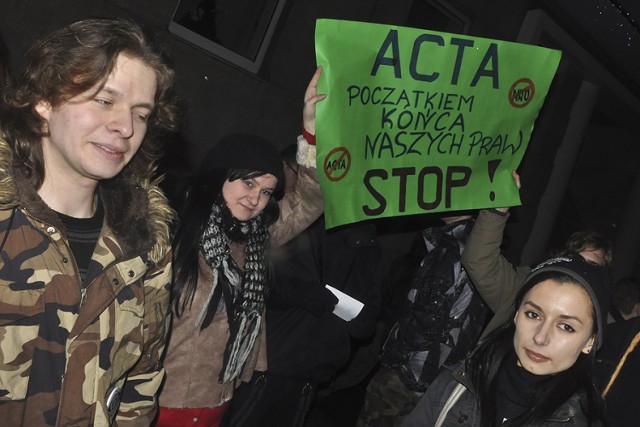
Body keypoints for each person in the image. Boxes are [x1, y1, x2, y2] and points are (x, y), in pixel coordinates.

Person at [0, 17, 179, 426]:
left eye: (141, 113)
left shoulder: (147, 245)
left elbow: (142, 380)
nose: (125, 127)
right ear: (45, 100)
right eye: (103, 100)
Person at [156, 68, 325, 426]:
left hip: (219, 398)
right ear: (220, 176)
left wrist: (311, 132)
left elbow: (312, 196)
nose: (255, 199)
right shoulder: (171, 229)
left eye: (265, 192)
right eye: (248, 183)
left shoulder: (256, 239)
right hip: (158, 402)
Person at [403, 255, 609, 426]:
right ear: (516, 315)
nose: (540, 337)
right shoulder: (456, 384)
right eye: (534, 315)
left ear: (590, 341)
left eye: (566, 327)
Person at [358, 214, 491, 427]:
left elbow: (430, 316)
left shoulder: (454, 247)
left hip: (410, 373)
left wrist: (395, 356)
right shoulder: (469, 244)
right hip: (426, 374)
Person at [461, 172, 613, 338]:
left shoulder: (601, 326)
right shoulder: (527, 286)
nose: (541, 337)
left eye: (591, 266)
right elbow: (479, 260)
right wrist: (497, 209)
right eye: (577, 260)